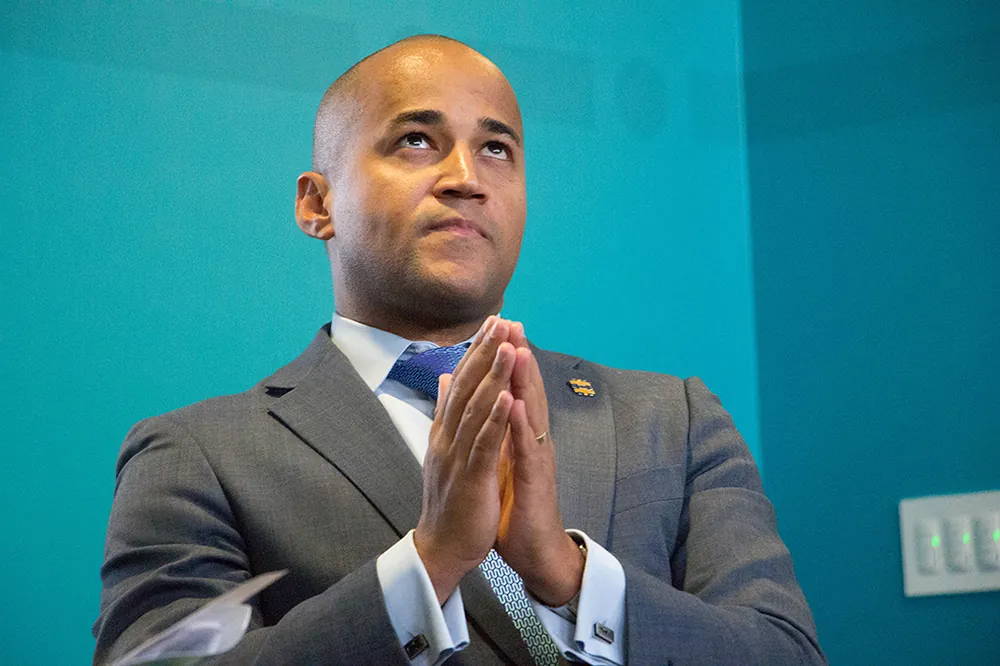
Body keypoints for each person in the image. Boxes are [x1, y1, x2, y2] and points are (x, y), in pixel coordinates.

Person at [93, 35, 825, 665]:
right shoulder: (197, 455)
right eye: (416, 140)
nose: (466, 179)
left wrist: (566, 575)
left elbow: (783, 653)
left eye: (496, 149)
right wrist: (428, 563)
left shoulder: (675, 420)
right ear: (318, 204)